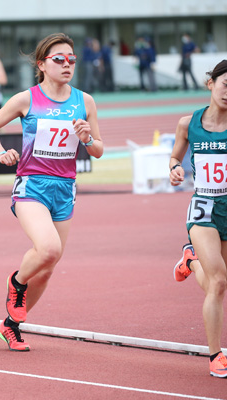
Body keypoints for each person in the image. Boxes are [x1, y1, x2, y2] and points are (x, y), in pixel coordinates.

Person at [0, 33, 103, 351]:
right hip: (32, 185)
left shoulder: (84, 101)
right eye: (59, 59)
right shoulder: (27, 99)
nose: (67, 65)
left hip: (65, 189)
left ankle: (11, 326)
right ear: (42, 65)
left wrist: (87, 138)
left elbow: (98, 150)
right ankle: (17, 282)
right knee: (48, 249)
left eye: (71, 60)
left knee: (48, 269)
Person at [169, 59, 227, 378]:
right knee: (218, 281)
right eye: (225, 85)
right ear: (211, 84)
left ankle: (190, 262)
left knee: (219, 282)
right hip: (203, 207)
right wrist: (175, 168)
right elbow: (176, 156)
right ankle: (216, 355)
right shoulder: (187, 123)